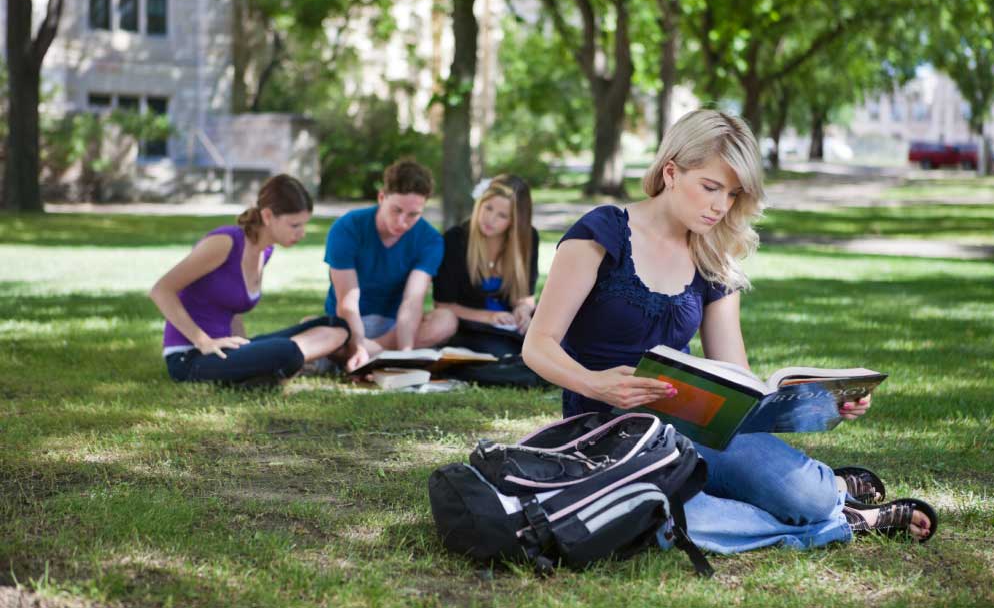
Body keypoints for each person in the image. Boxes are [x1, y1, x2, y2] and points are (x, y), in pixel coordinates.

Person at [522, 109, 936, 553]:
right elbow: (538, 345)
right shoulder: (600, 234)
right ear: (671, 172)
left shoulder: (713, 256)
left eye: (733, 194)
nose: (720, 206)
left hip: (694, 425)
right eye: (710, 187)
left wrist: (824, 402)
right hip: (609, 434)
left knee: (806, 497)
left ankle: (825, 493)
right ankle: (846, 517)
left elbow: (733, 374)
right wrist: (595, 384)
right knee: (678, 520)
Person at [151, 174, 349, 386]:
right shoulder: (225, 242)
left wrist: (249, 352)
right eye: (294, 225)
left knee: (336, 326)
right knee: (288, 351)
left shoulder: (265, 251)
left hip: (228, 348)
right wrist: (204, 342)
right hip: (191, 356)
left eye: (304, 225)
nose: (302, 233)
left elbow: (231, 307)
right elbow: (161, 290)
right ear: (267, 216)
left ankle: (264, 372)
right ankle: (278, 367)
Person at [322, 159, 457, 372]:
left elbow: (412, 302)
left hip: (396, 326)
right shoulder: (347, 227)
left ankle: (362, 353)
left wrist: (405, 356)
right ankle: (358, 351)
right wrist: (357, 342)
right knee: (321, 328)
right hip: (350, 321)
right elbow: (347, 300)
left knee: (446, 320)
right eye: (396, 210)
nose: (402, 222)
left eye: (413, 214)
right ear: (381, 197)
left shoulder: (430, 239)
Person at [433, 174, 539, 356]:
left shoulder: (527, 239)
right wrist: (490, 317)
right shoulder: (456, 240)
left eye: (502, 216)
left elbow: (526, 296)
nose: (490, 219)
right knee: (502, 352)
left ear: (515, 221)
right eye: (488, 208)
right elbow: (443, 306)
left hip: (510, 324)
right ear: (479, 203)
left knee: (563, 333)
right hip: (473, 325)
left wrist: (523, 309)